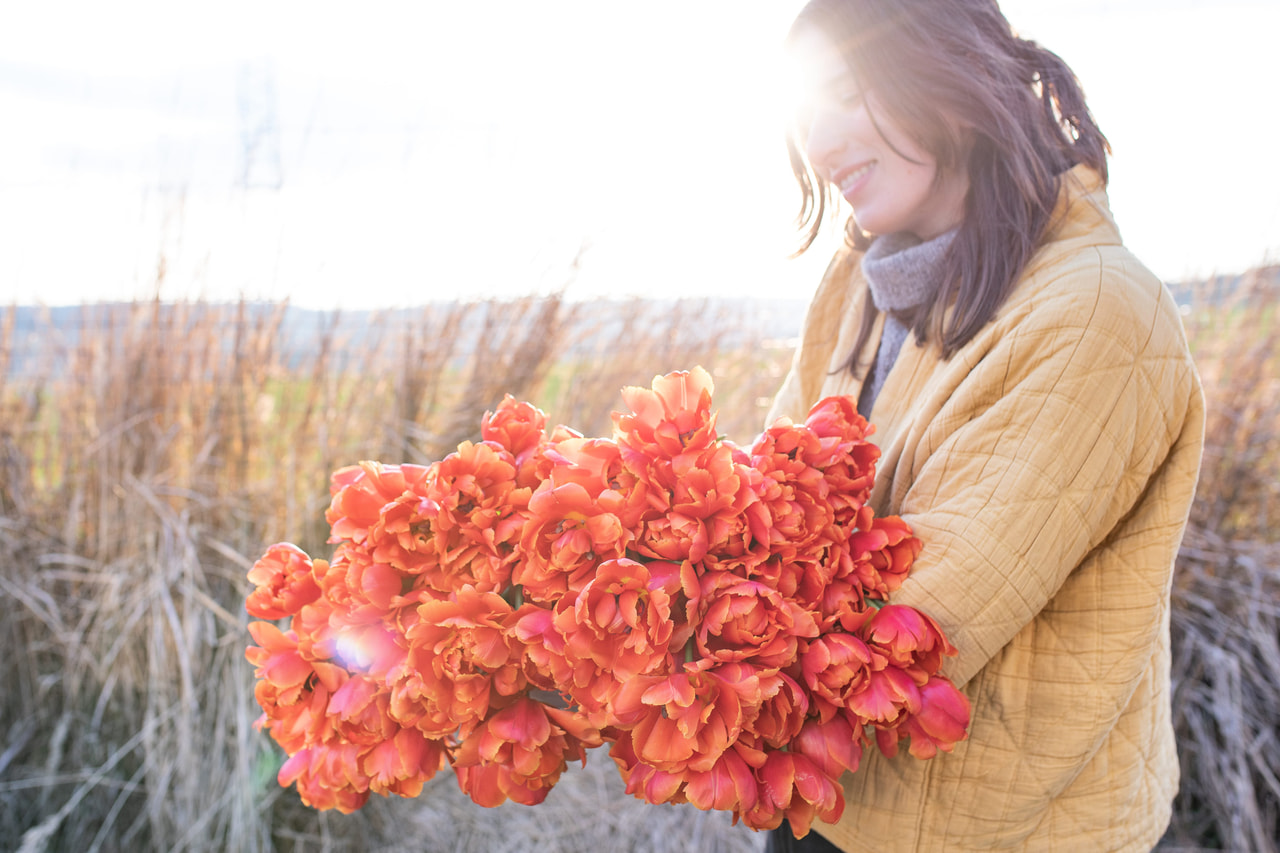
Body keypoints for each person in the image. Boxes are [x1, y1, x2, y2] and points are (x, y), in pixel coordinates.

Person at [764, 1, 1205, 851]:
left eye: (846, 95)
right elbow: (764, 507)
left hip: (1000, 829)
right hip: (827, 793)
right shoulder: (858, 281)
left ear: (956, 82)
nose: (818, 145)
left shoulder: (1096, 316)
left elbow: (913, 631)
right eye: (805, 112)